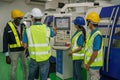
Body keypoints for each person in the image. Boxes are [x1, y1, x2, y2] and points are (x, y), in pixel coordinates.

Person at [22, 8, 55, 80]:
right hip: (45, 59)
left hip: (34, 58)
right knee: (44, 77)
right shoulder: (48, 29)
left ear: (32, 18)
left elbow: (25, 45)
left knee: (31, 76)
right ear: (41, 17)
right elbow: (53, 35)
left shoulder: (27, 30)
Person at [3, 9, 28, 80]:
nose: (20, 19)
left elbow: (26, 38)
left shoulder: (23, 26)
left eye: (21, 18)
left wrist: (27, 49)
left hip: (23, 50)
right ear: (14, 18)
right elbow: (5, 41)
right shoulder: (8, 28)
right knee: (13, 68)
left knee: (26, 66)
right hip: (14, 52)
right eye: (18, 18)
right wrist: (7, 55)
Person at [84, 12, 104, 80]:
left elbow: (95, 53)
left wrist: (88, 64)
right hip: (90, 64)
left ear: (91, 22)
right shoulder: (91, 33)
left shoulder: (97, 35)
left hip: (94, 65)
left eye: (88, 21)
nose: (87, 23)